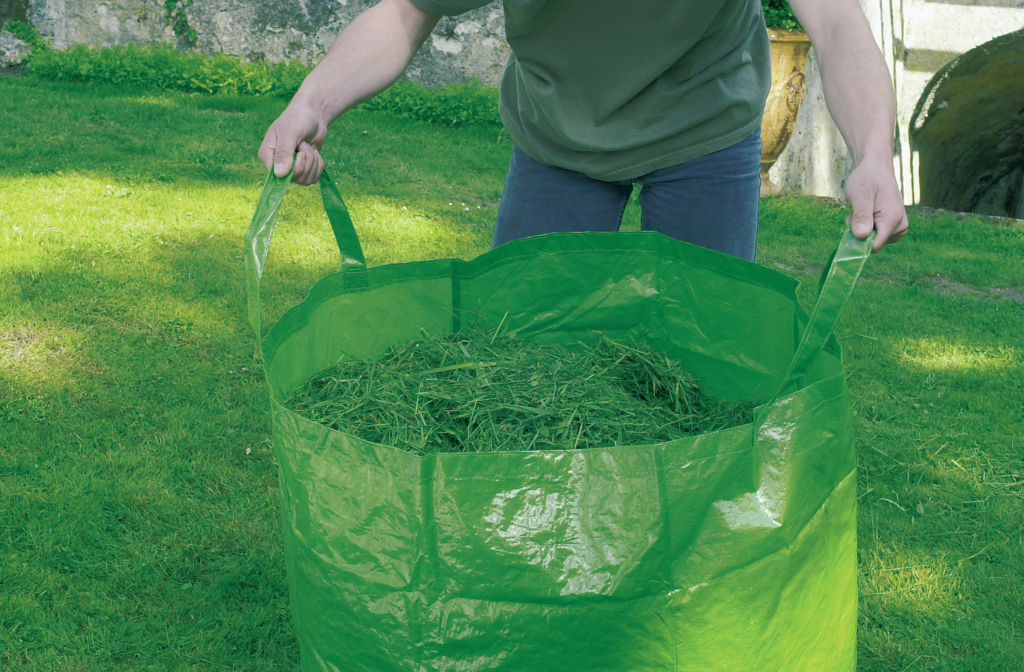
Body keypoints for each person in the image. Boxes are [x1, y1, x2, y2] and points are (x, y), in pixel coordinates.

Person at [258, 0, 909, 259]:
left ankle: (688, 535)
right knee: (524, 356)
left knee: (703, 359)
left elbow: (836, 24)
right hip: (559, 138)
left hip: (701, 126)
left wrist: (872, 154)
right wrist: (312, 102)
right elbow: (405, 13)